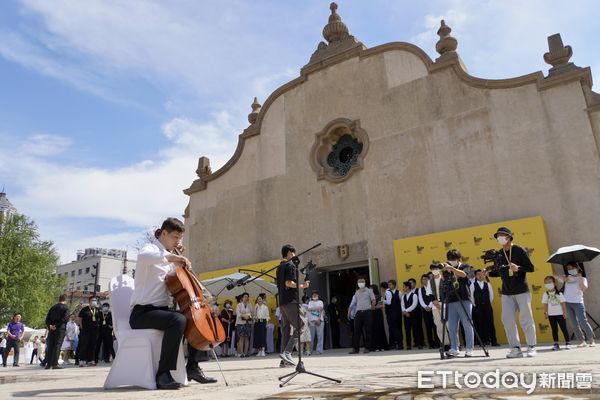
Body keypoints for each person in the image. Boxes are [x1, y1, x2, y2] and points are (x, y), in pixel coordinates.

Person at [129, 217, 216, 390]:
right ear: (163, 233)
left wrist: (179, 260)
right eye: (175, 237)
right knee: (178, 320)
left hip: (161, 312)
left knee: (193, 319)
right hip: (142, 313)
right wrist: (174, 258)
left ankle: (192, 367)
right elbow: (146, 256)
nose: (177, 242)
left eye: (179, 239)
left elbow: (178, 282)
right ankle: (163, 374)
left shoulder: (171, 257)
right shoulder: (151, 249)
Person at [486, 227, 536, 358]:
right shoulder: (499, 253)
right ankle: (515, 348)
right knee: (507, 320)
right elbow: (499, 272)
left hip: (521, 290)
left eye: (502, 235)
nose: (499, 238)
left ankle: (531, 346)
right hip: (507, 292)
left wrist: (518, 268)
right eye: (498, 236)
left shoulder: (519, 250)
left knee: (526, 319)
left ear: (509, 237)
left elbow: (531, 268)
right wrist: (488, 272)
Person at [276, 244, 310, 367]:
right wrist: (303, 286)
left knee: (285, 331)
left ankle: (284, 361)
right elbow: (288, 283)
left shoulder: (279, 267)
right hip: (291, 301)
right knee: (301, 325)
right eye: (294, 253)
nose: (295, 256)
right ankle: (287, 352)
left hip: (282, 303)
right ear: (290, 253)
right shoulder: (290, 265)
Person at [438, 249, 474, 358]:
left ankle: (469, 349)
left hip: (464, 299)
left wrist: (451, 268)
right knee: (452, 326)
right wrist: (446, 270)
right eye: (449, 259)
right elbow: (444, 280)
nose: (451, 261)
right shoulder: (446, 269)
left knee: (467, 324)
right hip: (451, 300)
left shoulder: (465, 265)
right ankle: (454, 348)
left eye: (453, 259)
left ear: (458, 258)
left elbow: (463, 275)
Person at [554, 263, 596, 347]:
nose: (570, 270)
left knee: (583, 321)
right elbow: (558, 278)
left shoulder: (583, 279)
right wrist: (561, 277)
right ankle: (582, 341)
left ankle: (591, 340)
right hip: (567, 303)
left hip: (578, 303)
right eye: (568, 268)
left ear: (577, 268)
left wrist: (579, 278)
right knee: (574, 323)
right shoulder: (568, 278)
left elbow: (583, 289)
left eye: (572, 268)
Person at [470, 270, 499, 346]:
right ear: (475, 276)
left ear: (484, 275)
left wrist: (487, 303)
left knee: (490, 323)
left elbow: (491, 295)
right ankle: (481, 342)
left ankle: (493, 341)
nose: (480, 276)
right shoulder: (473, 285)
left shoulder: (488, 284)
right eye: (478, 274)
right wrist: (474, 304)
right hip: (477, 307)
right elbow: (471, 296)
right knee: (479, 324)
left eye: (482, 274)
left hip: (487, 306)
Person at [349, 276, 375, 354]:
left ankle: (367, 348)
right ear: (357, 283)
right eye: (359, 282)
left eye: (362, 281)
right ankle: (355, 349)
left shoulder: (369, 291)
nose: (361, 283)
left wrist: (373, 306)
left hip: (367, 312)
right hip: (358, 313)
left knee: (368, 330)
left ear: (365, 282)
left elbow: (373, 300)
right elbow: (356, 303)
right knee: (356, 331)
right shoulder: (356, 292)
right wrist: (351, 312)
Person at [426, 263, 450, 350]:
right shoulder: (430, 281)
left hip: (446, 304)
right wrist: (434, 301)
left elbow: (448, 291)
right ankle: (445, 344)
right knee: (439, 326)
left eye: (436, 268)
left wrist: (443, 302)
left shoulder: (444, 278)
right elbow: (429, 293)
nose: (434, 271)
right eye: (432, 269)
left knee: (449, 325)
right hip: (435, 306)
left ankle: (455, 344)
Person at [542, 276, 570, 350]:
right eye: (546, 283)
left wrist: (564, 313)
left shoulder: (559, 293)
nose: (548, 284)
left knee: (564, 328)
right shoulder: (545, 294)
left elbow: (563, 304)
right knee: (554, 329)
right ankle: (556, 344)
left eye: (550, 282)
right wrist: (545, 312)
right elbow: (545, 304)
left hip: (560, 314)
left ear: (554, 283)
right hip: (551, 315)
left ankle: (568, 342)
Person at [44, 294, 70, 369]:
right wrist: (57, 325)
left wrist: (50, 326)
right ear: (66, 300)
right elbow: (64, 319)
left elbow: (47, 318)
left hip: (51, 329)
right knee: (57, 345)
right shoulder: (66, 308)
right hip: (60, 328)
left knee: (50, 346)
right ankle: (55, 364)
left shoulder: (53, 307)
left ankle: (48, 364)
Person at [78, 296, 100, 367]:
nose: (94, 302)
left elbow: (99, 319)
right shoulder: (84, 310)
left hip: (94, 330)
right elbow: (79, 319)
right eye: (93, 300)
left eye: (95, 300)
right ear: (89, 301)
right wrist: (81, 327)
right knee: (84, 345)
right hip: (85, 330)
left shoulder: (97, 310)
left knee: (93, 345)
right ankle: (82, 360)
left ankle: (91, 360)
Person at [418, 274, 438, 349]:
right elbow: (420, 299)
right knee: (428, 327)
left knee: (435, 326)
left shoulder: (432, 288)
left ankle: (437, 342)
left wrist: (429, 306)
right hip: (425, 310)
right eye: (423, 279)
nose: (424, 280)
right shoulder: (420, 289)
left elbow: (433, 298)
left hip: (433, 308)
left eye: (426, 279)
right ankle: (431, 343)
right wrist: (425, 307)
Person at [384, 279, 404, 350]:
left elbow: (389, 302)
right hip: (396, 313)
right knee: (395, 328)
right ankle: (395, 344)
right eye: (388, 284)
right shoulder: (398, 292)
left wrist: (382, 300)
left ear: (394, 285)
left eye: (390, 284)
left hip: (393, 313)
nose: (389, 286)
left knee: (395, 328)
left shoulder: (389, 292)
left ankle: (399, 344)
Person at [370, 285, 388, 351]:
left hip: (378, 314)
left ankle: (382, 346)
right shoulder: (369, 297)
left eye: (371, 289)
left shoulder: (379, 296)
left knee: (380, 329)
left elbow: (382, 305)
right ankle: (375, 346)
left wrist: (375, 307)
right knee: (373, 330)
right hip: (371, 315)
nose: (370, 290)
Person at [307, 291, 325, 355]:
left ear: (318, 295)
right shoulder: (310, 302)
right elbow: (309, 310)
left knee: (320, 336)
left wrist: (319, 319)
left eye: (316, 295)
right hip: (311, 321)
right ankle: (310, 350)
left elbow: (320, 309)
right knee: (311, 336)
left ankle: (319, 350)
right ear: (312, 296)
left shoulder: (320, 302)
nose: (315, 296)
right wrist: (317, 308)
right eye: (313, 295)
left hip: (319, 320)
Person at [235, 293, 253, 357]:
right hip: (240, 323)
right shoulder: (239, 305)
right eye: (245, 297)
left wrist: (248, 315)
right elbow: (238, 313)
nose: (246, 298)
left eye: (247, 297)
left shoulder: (249, 304)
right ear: (242, 298)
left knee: (247, 338)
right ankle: (241, 353)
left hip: (248, 323)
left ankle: (246, 352)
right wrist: (244, 315)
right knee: (241, 338)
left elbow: (252, 312)